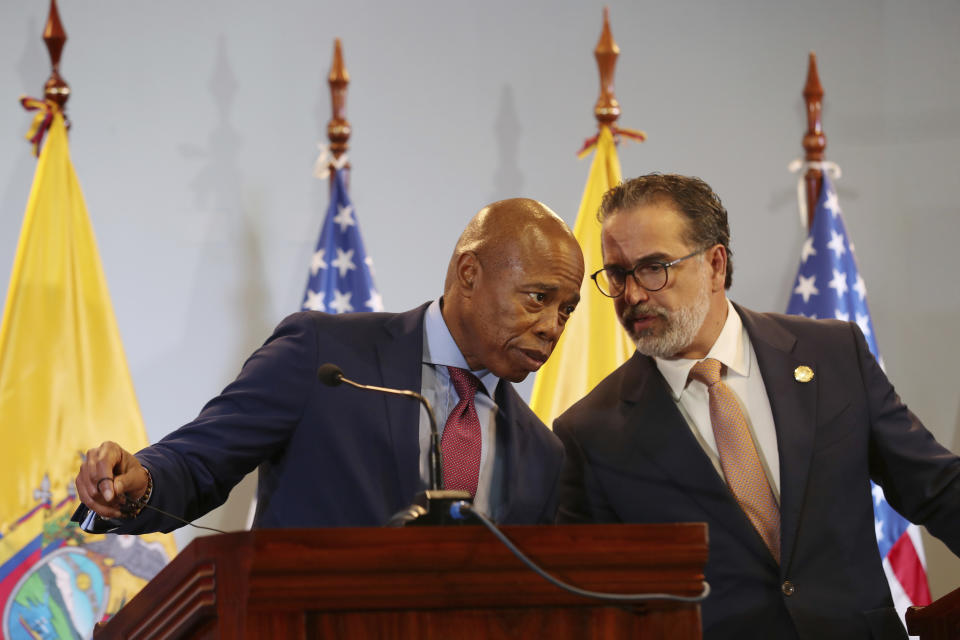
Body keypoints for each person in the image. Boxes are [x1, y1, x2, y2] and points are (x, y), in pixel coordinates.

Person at [554, 173, 960, 640]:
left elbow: (936, 486)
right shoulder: (589, 433)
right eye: (618, 274)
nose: (633, 295)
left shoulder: (832, 355)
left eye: (654, 267)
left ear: (715, 265)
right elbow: (595, 610)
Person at [75, 198, 584, 532]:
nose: (552, 326)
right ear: (469, 274)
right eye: (538, 298)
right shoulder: (325, 356)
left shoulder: (544, 453)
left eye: (567, 309)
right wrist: (140, 481)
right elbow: (200, 461)